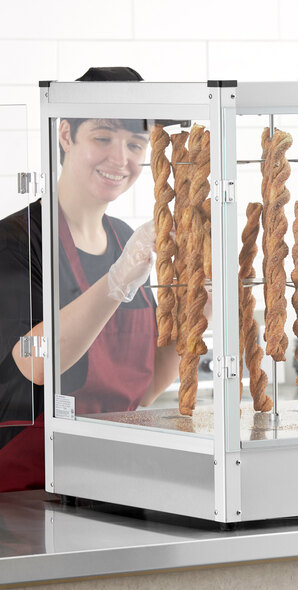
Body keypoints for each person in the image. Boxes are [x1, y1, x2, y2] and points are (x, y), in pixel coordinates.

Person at [0, 67, 180, 492]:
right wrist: (116, 283)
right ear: (65, 135)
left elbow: (146, 389)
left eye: (136, 143)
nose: (121, 159)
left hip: (107, 480)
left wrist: (198, 314)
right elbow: (32, 357)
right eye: (102, 138)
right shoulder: (16, 243)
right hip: (25, 494)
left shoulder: (124, 241)